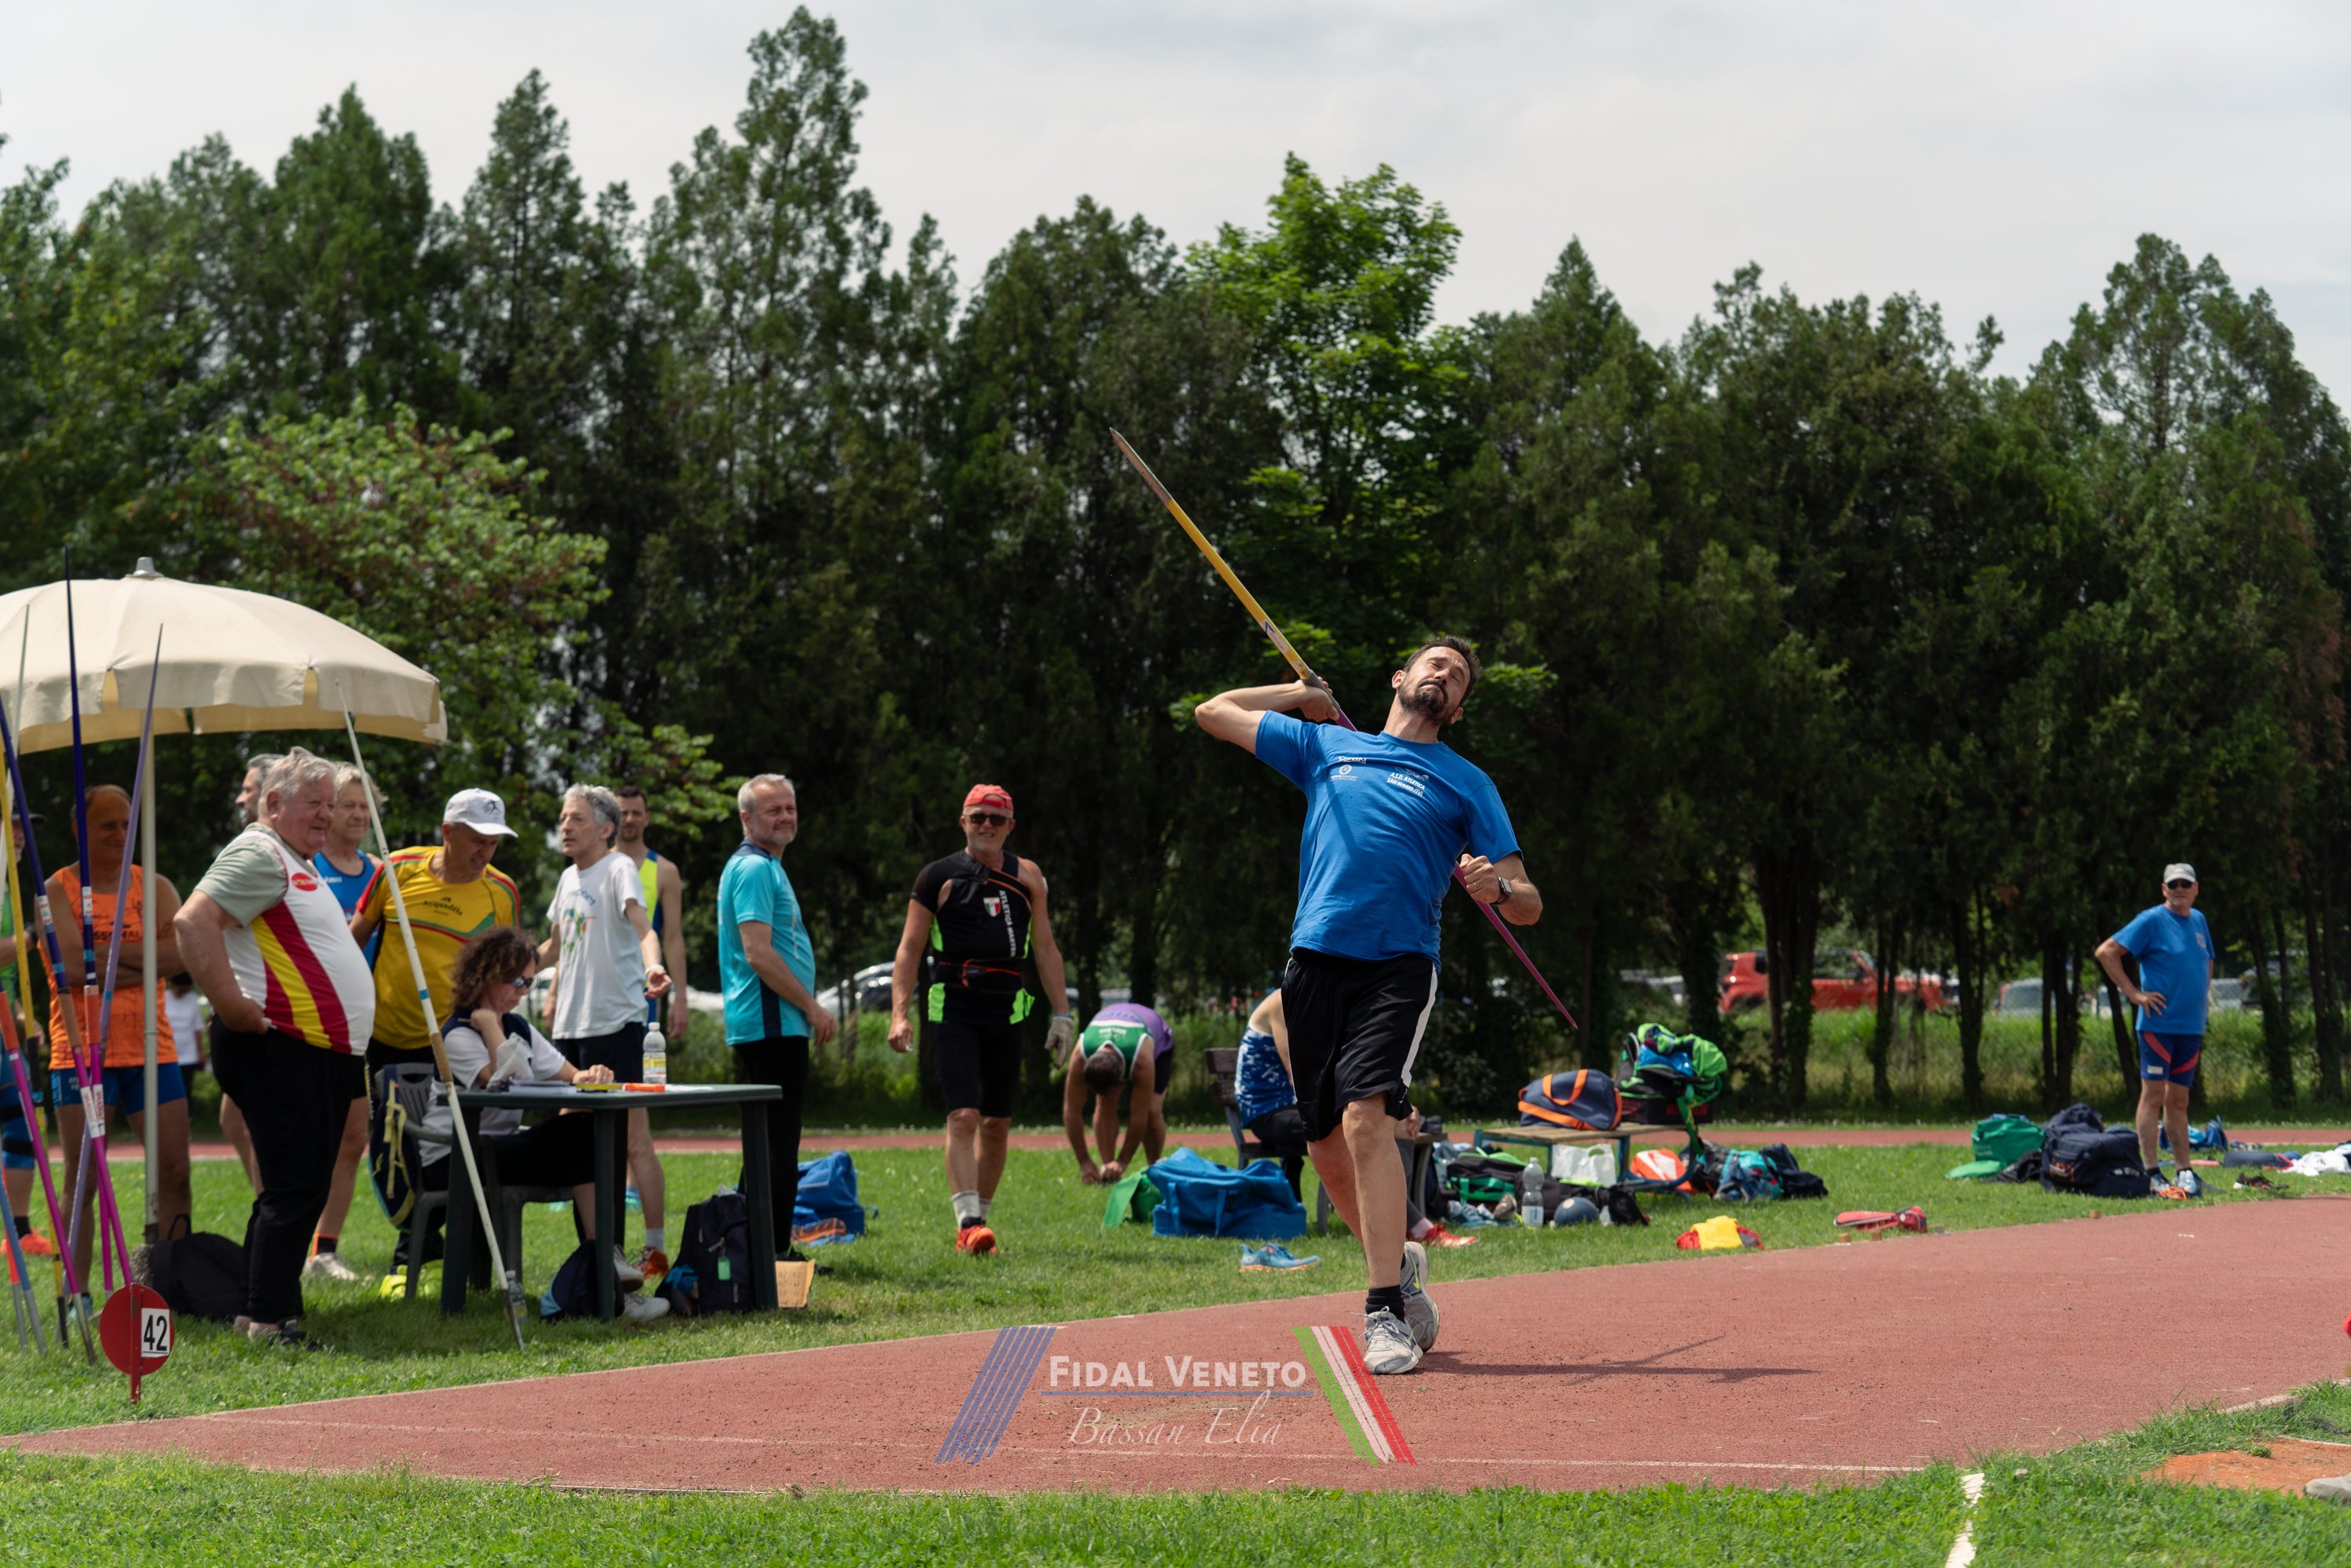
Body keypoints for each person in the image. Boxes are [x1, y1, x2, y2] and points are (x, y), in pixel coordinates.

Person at [1194, 636, 1541, 1374]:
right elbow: (1212, 712)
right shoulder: (1325, 747)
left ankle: (1383, 1309)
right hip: (1314, 960)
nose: (1445, 675)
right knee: (1325, 1144)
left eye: (1458, 677)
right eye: (1436, 664)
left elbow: (1529, 904)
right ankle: (1400, 1267)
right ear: (1401, 677)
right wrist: (1300, 696)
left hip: (1398, 964)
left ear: (1457, 709)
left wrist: (1500, 888)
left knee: (1365, 1119)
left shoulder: (1466, 782)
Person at [175, 748, 375, 1347]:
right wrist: (232, 1005)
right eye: (314, 803)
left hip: (317, 1050)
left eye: (330, 804)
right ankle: (270, 1320)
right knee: (294, 1187)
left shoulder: (290, 858)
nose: (326, 815)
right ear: (272, 803)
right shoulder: (261, 852)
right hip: (286, 1047)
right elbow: (192, 922)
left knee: (297, 1186)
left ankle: (258, 1311)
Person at [420, 927, 667, 1323]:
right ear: (486, 976)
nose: (523, 991)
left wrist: (592, 1074)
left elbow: (568, 1073)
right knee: (578, 1135)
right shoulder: (457, 1035)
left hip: (497, 1148)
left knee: (585, 1130)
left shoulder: (516, 1026)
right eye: (515, 981)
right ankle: (604, 1271)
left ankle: (606, 1263)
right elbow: (505, 1078)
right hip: (454, 1157)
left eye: (529, 981)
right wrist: (488, 1024)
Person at [888, 784, 1074, 1255]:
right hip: (954, 1008)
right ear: (963, 823)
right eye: (977, 817)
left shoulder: (1028, 876)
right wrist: (899, 1014)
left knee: (996, 1124)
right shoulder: (938, 876)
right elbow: (909, 950)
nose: (986, 825)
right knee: (964, 1116)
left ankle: (980, 1227)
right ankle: (967, 1224)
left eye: (996, 818)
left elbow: (1045, 948)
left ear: (1011, 826)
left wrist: (1062, 1016)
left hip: (1008, 1010)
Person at [45, 784, 190, 1287]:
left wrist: (101, 958)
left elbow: (181, 956)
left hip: (152, 1048)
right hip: (82, 1053)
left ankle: (172, 1286)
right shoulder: (57, 891)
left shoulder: (156, 887)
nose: (120, 833)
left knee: (175, 1172)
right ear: (79, 830)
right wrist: (148, 959)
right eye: (108, 824)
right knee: (83, 1180)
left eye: (128, 824)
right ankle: (78, 1295)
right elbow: (70, 969)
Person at [536, 785, 673, 1273]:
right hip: (570, 1030)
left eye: (576, 818)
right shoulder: (566, 878)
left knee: (625, 1144)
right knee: (581, 1149)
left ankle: (644, 1252)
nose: (565, 826)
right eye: (563, 818)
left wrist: (653, 967)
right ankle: (597, 1258)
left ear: (605, 828)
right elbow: (554, 949)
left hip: (615, 1026)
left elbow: (644, 928)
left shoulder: (618, 869)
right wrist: (505, 970)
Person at [1238, 988, 1470, 1245]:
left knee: (1401, 1122)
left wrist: (1401, 1103)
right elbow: (1300, 1077)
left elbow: (1353, 1070)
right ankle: (1415, 1227)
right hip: (1269, 1112)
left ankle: (1398, 1220)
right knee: (1357, 1126)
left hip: (1300, 1105)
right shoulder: (1283, 1001)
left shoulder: (1327, 1003)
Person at [717, 775, 836, 1259]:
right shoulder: (754, 869)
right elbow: (758, 953)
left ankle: (752, 1249)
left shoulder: (764, 866)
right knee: (779, 1143)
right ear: (746, 818)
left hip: (771, 1023)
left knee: (766, 1141)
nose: (786, 816)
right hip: (772, 1022)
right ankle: (774, 1256)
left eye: (790, 808)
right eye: (774, 810)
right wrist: (811, 1006)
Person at [302, 765, 382, 1283]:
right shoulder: (305, 866)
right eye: (346, 804)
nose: (356, 814)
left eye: (364, 806)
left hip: (366, 1022)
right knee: (310, 1138)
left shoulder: (381, 871)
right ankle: (293, 1241)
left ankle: (324, 1250)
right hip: (312, 1022)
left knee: (354, 1138)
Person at [2095, 862, 2215, 1198]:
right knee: (2154, 1097)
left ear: (2195, 888)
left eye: (2186, 884)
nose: (2180, 889)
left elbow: (2207, 960)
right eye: (2173, 884)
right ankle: (2152, 1173)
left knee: (2180, 1100)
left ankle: (2185, 1172)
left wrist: (2199, 998)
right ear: (2164, 889)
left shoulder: (2199, 920)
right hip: (2158, 1026)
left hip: (2190, 1027)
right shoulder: (2151, 920)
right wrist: (2134, 994)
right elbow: (2106, 952)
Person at [0, 811, 54, 1258]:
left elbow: (8, 977)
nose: (21, 835)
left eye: (23, 827)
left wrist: (21, 1017)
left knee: (22, 1125)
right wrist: (34, 934)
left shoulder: (9, 891)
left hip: (4, 1020)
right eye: (11, 824)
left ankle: (19, 1231)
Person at [1061, 1002, 1173, 1184]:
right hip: (1114, 1025)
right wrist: (1084, 1161)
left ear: (1122, 1071)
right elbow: (1071, 1111)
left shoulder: (1141, 1062)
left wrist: (1123, 1161)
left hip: (1158, 1040)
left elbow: (1139, 1116)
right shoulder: (1080, 1058)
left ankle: (1154, 1169)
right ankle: (1108, 1171)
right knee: (1105, 1103)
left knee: (1152, 1111)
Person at [615, 786, 690, 1038]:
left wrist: (681, 999)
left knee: (639, 1061)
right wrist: (554, 992)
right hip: (599, 989)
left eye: (636, 813)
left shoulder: (665, 871)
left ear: (647, 818)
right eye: (623, 813)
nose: (629, 819)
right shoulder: (596, 865)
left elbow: (673, 938)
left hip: (643, 989)